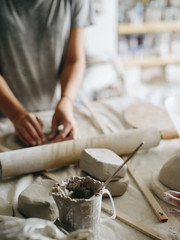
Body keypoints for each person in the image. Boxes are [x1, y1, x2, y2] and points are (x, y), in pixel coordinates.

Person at [0, 0, 94, 146]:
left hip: (51, 112)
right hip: (4, 117)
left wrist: (67, 100)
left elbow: (74, 60)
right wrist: (15, 113)